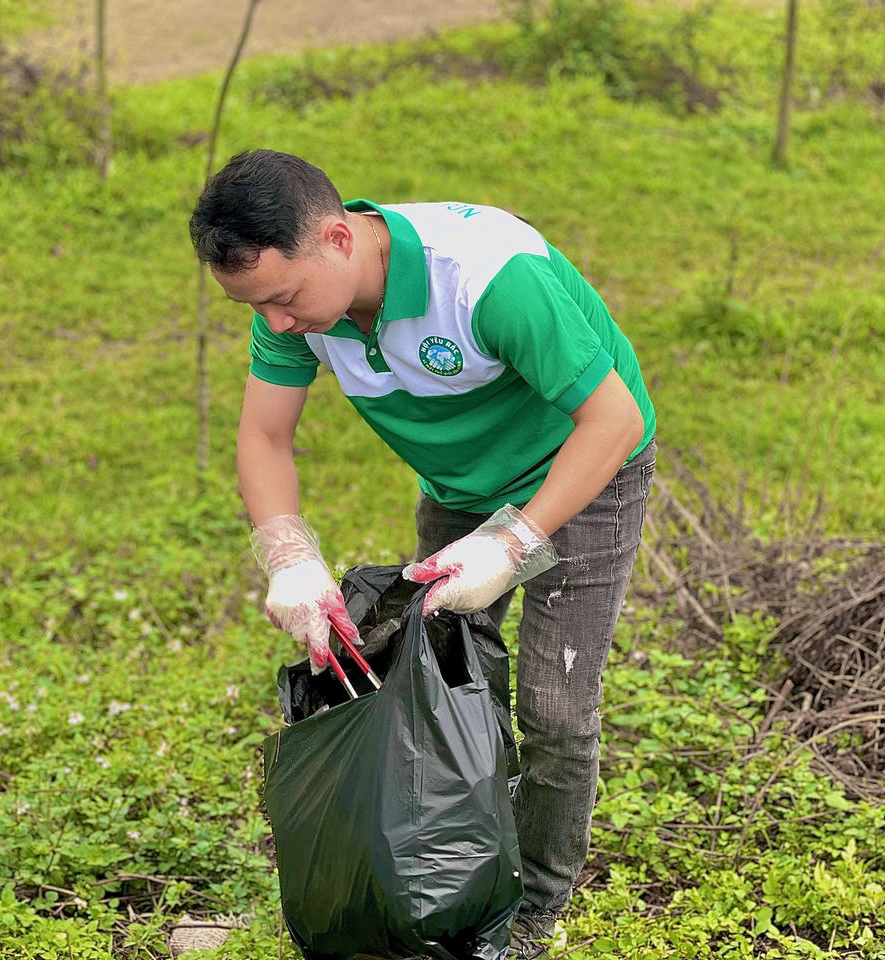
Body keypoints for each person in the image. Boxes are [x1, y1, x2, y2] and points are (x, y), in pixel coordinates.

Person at [189, 149, 656, 955]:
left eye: (284, 299)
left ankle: (535, 908)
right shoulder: (300, 308)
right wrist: (288, 555)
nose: (276, 324)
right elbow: (266, 436)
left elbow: (610, 421)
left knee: (554, 706)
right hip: (459, 487)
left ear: (339, 239)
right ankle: (463, 859)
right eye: (254, 306)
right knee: (442, 671)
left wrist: (514, 542)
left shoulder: (487, 276)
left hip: (585, 475)